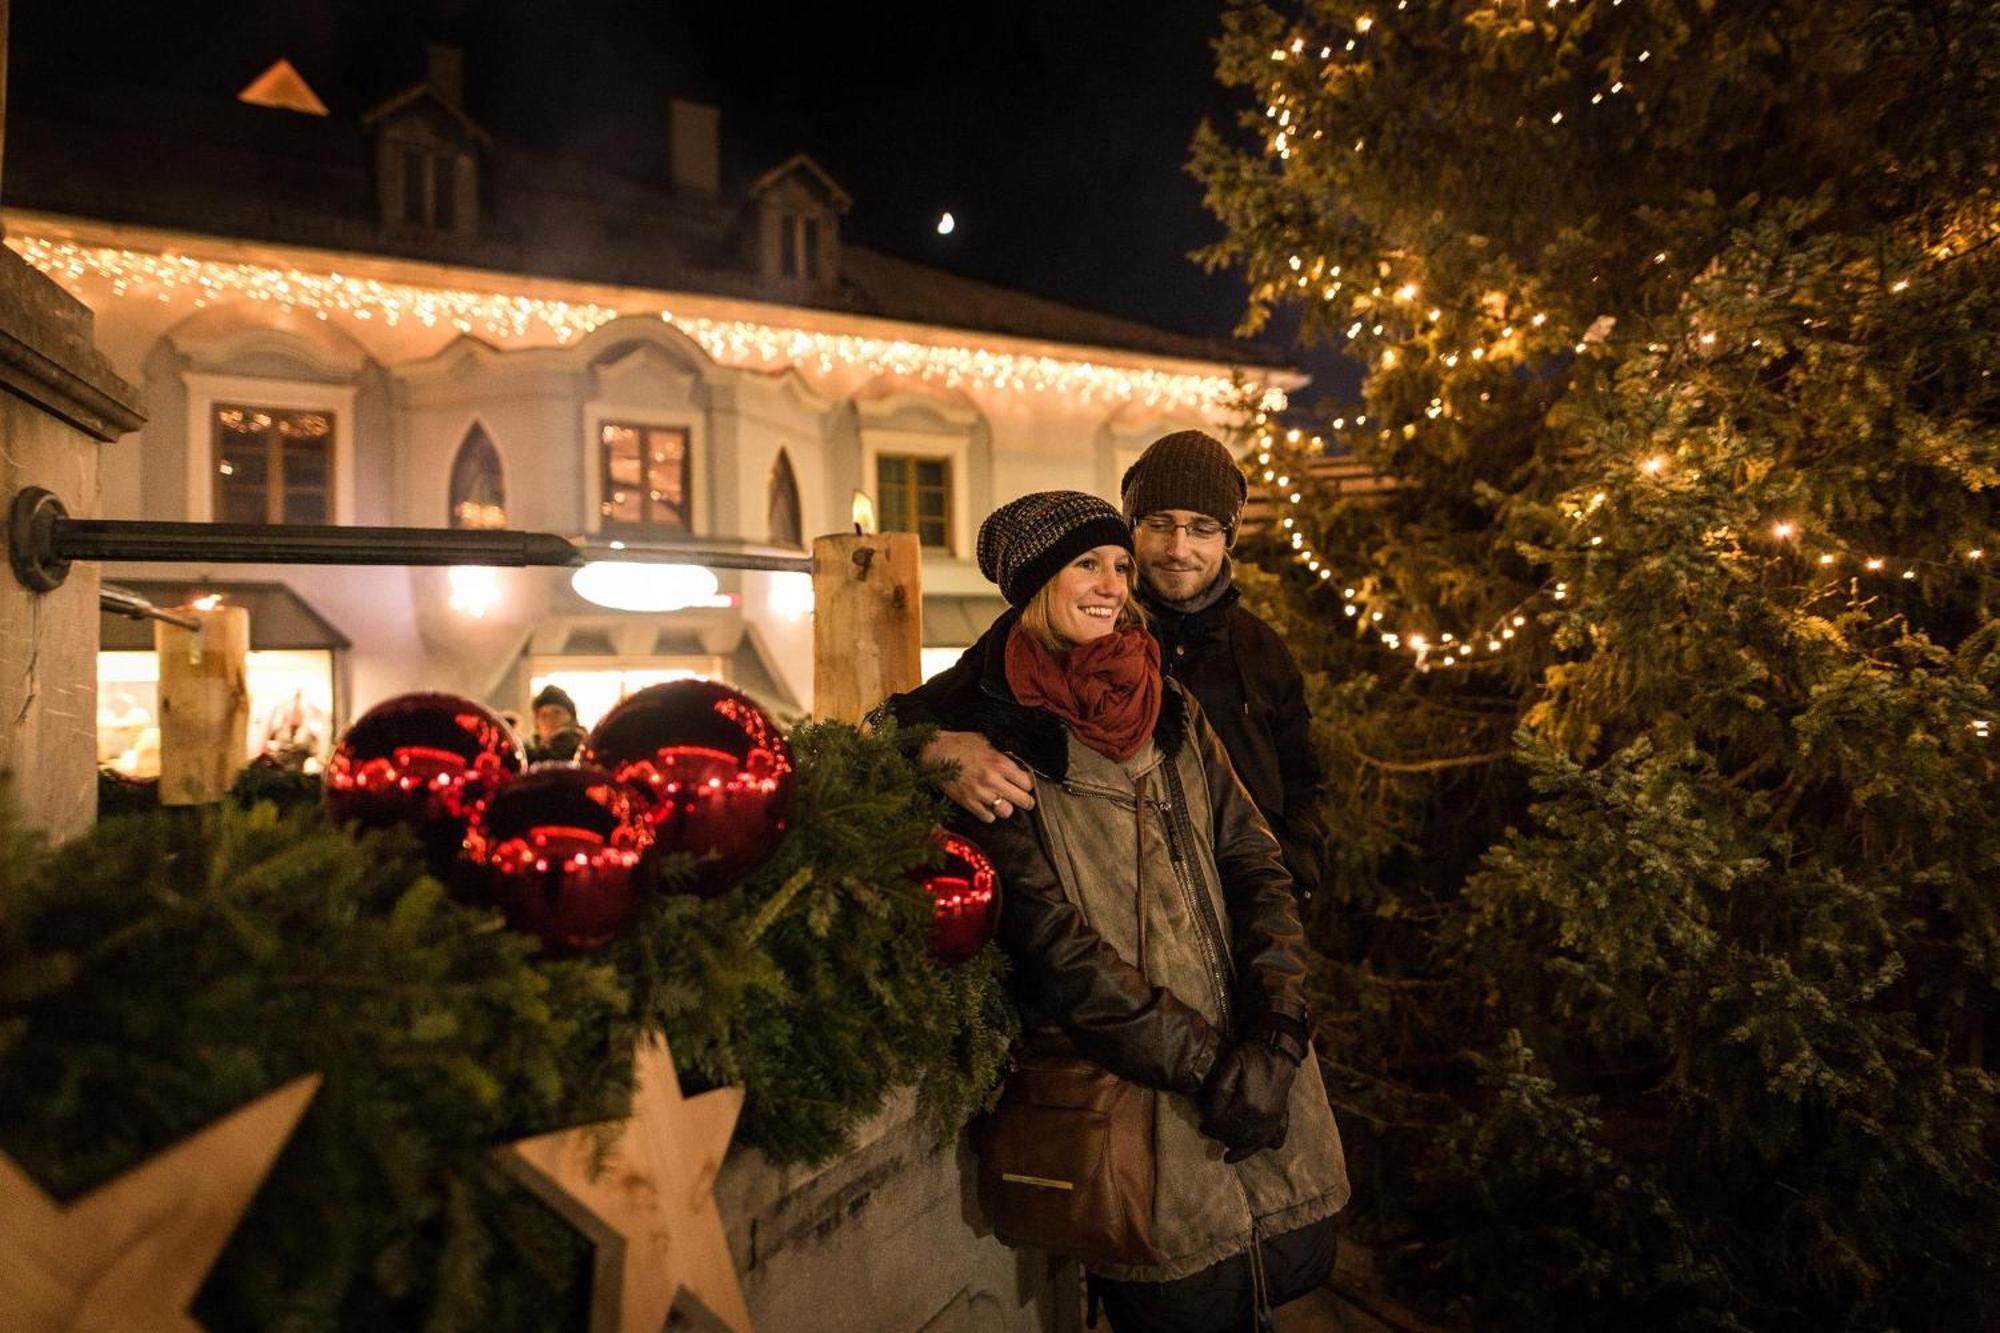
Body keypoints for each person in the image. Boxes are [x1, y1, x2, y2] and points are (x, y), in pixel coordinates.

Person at [940, 491, 1348, 1332]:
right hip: (1141, 1107)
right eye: (1086, 563)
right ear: (1033, 582)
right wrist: (1210, 1069)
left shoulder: (1172, 708)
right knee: (1178, 1295)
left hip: (1254, 1075)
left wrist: (1276, 1031)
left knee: (1267, 1291)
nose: (1111, 584)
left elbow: (1254, 860)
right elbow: (1057, 950)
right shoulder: (995, 743)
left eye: (1119, 566)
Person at [889, 431, 1329, 907]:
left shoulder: (1260, 649)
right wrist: (938, 749)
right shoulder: (1072, 628)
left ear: (1228, 538)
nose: (1179, 549)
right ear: (1132, 526)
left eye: (1202, 528)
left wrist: (1293, 880)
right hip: (1128, 923)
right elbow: (901, 716)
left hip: (1252, 915)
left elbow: (1303, 780)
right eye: (1160, 524)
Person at [525, 683, 585, 763]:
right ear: (536, 722)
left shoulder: (585, 751)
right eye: (544, 715)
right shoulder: (527, 756)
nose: (550, 719)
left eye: (557, 713)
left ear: (571, 718)